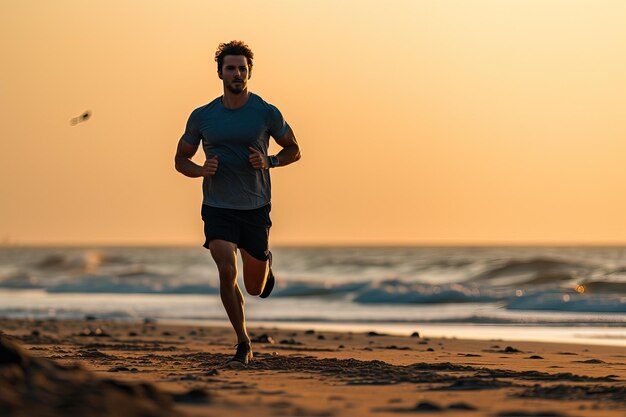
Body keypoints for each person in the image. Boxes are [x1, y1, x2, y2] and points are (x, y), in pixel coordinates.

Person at [174, 41, 301, 367]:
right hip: (218, 206)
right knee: (226, 269)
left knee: (255, 287)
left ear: (249, 72)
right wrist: (201, 170)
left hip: (255, 207)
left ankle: (265, 263)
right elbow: (180, 159)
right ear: (220, 72)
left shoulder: (265, 112)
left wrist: (269, 161)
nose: (237, 73)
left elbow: (294, 150)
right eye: (231, 68)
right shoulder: (203, 117)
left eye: (242, 68)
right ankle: (243, 342)